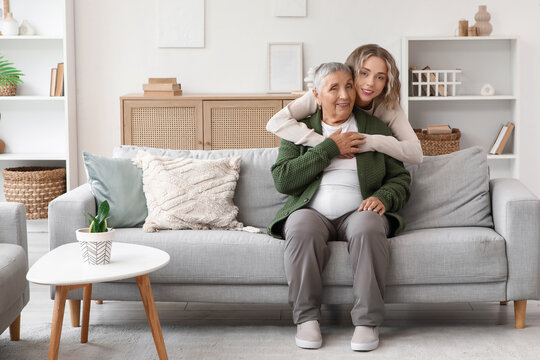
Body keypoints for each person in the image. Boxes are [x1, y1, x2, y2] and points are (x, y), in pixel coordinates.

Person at [267, 62, 411, 351]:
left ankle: (367, 322)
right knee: (299, 226)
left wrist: (383, 197)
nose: (344, 95)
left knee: (369, 225)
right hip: (311, 211)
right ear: (317, 96)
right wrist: (330, 147)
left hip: (357, 212)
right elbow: (283, 180)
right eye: (334, 88)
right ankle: (307, 318)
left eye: (348, 86)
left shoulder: (374, 127)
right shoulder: (300, 130)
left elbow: (401, 178)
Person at [266, 44, 423, 164]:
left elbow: (416, 153)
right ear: (352, 71)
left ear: (387, 82)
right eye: (364, 73)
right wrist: (328, 144)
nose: (370, 83)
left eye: (380, 77)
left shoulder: (389, 105)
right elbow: (275, 122)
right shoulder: (326, 94)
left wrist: (372, 141)